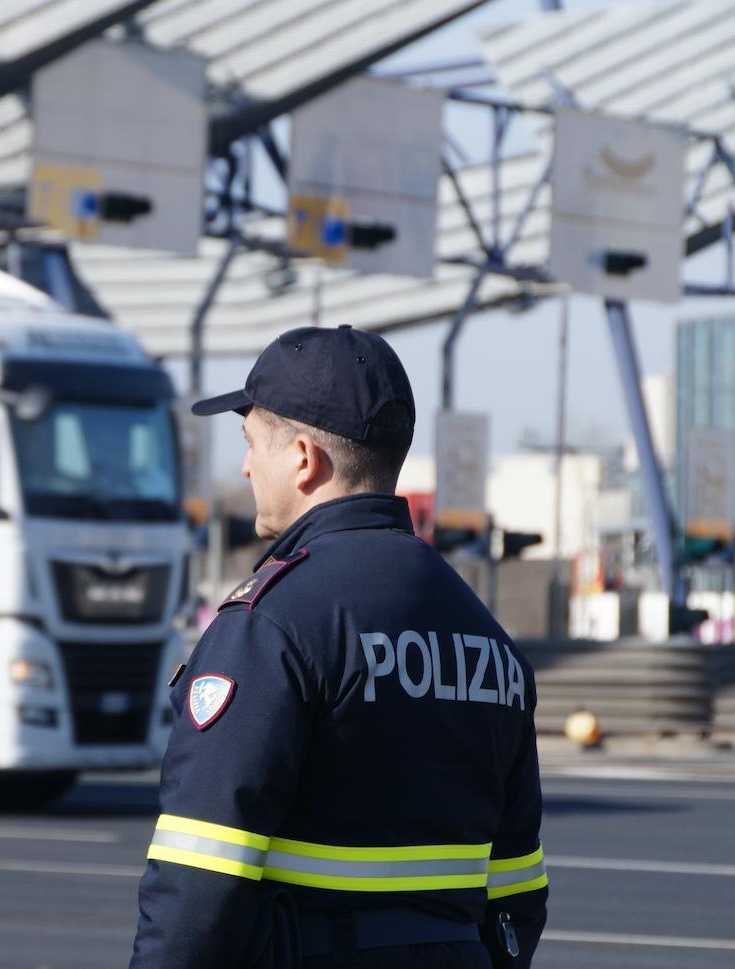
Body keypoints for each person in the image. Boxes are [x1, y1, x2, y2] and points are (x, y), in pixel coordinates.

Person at [128, 325, 547, 969]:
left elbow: (198, 879)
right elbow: (518, 887)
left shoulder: (270, 624)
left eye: (249, 444)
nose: (243, 467)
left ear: (303, 458)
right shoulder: (489, 640)